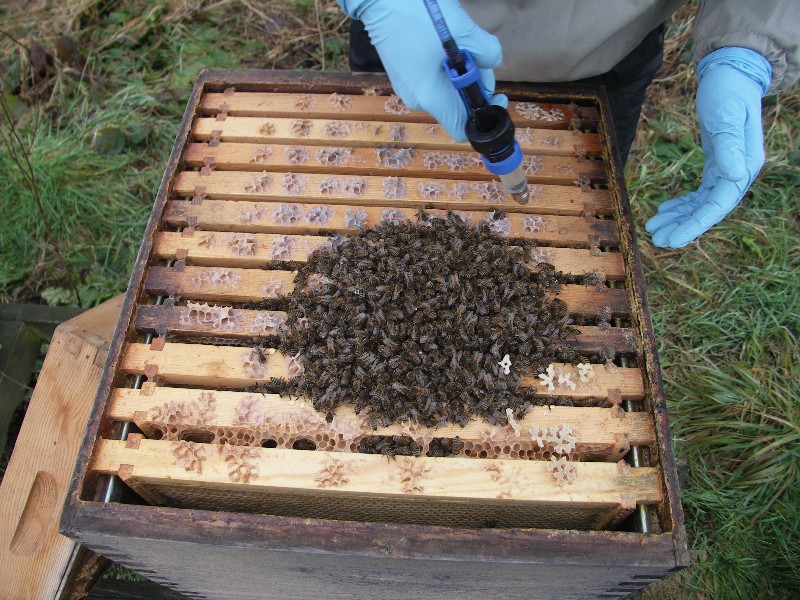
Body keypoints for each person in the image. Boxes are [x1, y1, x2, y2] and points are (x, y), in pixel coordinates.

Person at [335, 1, 799, 248]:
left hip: (604, 51)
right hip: (408, 36)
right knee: (379, 208)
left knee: (581, 229)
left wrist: (749, 42)